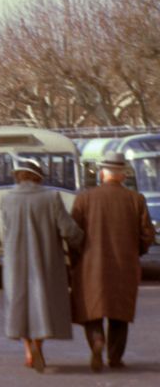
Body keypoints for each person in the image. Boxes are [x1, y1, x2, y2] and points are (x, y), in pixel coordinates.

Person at [70, 152, 156, 371]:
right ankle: (115, 357)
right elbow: (148, 234)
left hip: (91, 264)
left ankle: (97, 340)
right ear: (123, 175)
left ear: (101, 174)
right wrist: (135, 252)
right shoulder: (136, 199)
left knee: (92, 309)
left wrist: (77, 257)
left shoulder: (84, 199)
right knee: (120, 313)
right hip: (124, 265)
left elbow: (73, 233)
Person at [0, 157, 84, 373]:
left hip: (15, 262)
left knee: (20, 305)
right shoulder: (51, 197)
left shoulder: (6, 199)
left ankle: (28, 350)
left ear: (18, 176)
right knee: (43, 304)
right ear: (38, 176)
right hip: (46, 260)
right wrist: (81, 241)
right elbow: (68, 230)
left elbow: (4, 232)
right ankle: (38, 346)